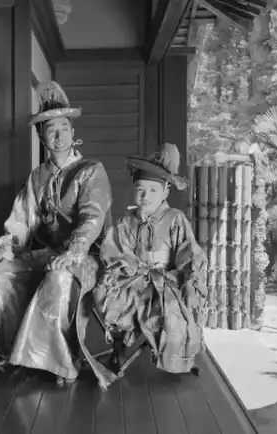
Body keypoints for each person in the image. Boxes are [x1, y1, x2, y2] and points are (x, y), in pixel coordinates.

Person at [0, 81, 113, 387]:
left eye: (64, 128)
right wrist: (6, 248)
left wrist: (74, 252)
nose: (59, 136)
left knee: (58, 278)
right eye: (51, 130)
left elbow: (92, 218)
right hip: (47, 253)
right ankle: (1, 348)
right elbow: (21, 220)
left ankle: (63, 361)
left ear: (72, 131)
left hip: (88, 255)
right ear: (41, 136)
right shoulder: (37, 177)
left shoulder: (91, 170)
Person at [93, 143, 208, 390]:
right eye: (140, 189)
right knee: (108, 295)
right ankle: (120, 348)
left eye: (153, 190)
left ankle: (174, 355)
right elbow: (115, 249)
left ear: (165, 192)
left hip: (166, 280)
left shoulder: (175, 218)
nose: (145, 196)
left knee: (171, 308)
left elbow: (189, 253)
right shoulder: (127, 221)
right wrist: (121, 269)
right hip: (134, 276)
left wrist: (190, 280)